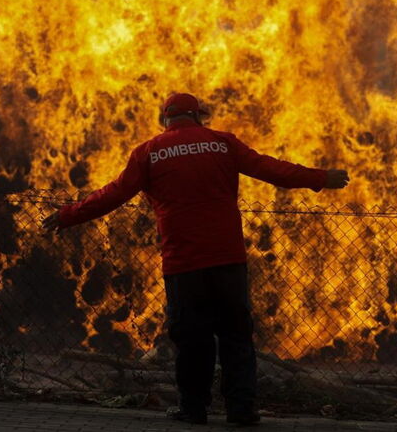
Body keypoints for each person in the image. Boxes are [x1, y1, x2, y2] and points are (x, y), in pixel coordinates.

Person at [42, 93, 349, 426]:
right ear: (199, 116)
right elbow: (272, 169)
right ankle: (241, 410)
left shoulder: (149, 152)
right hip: (228, 260)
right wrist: (320, 178)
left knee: (192, 340)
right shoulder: (223, 143)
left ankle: (194, 409)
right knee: (236, 337)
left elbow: (112, 194)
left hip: (184, 264)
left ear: (165, 119)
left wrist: (68, 215)